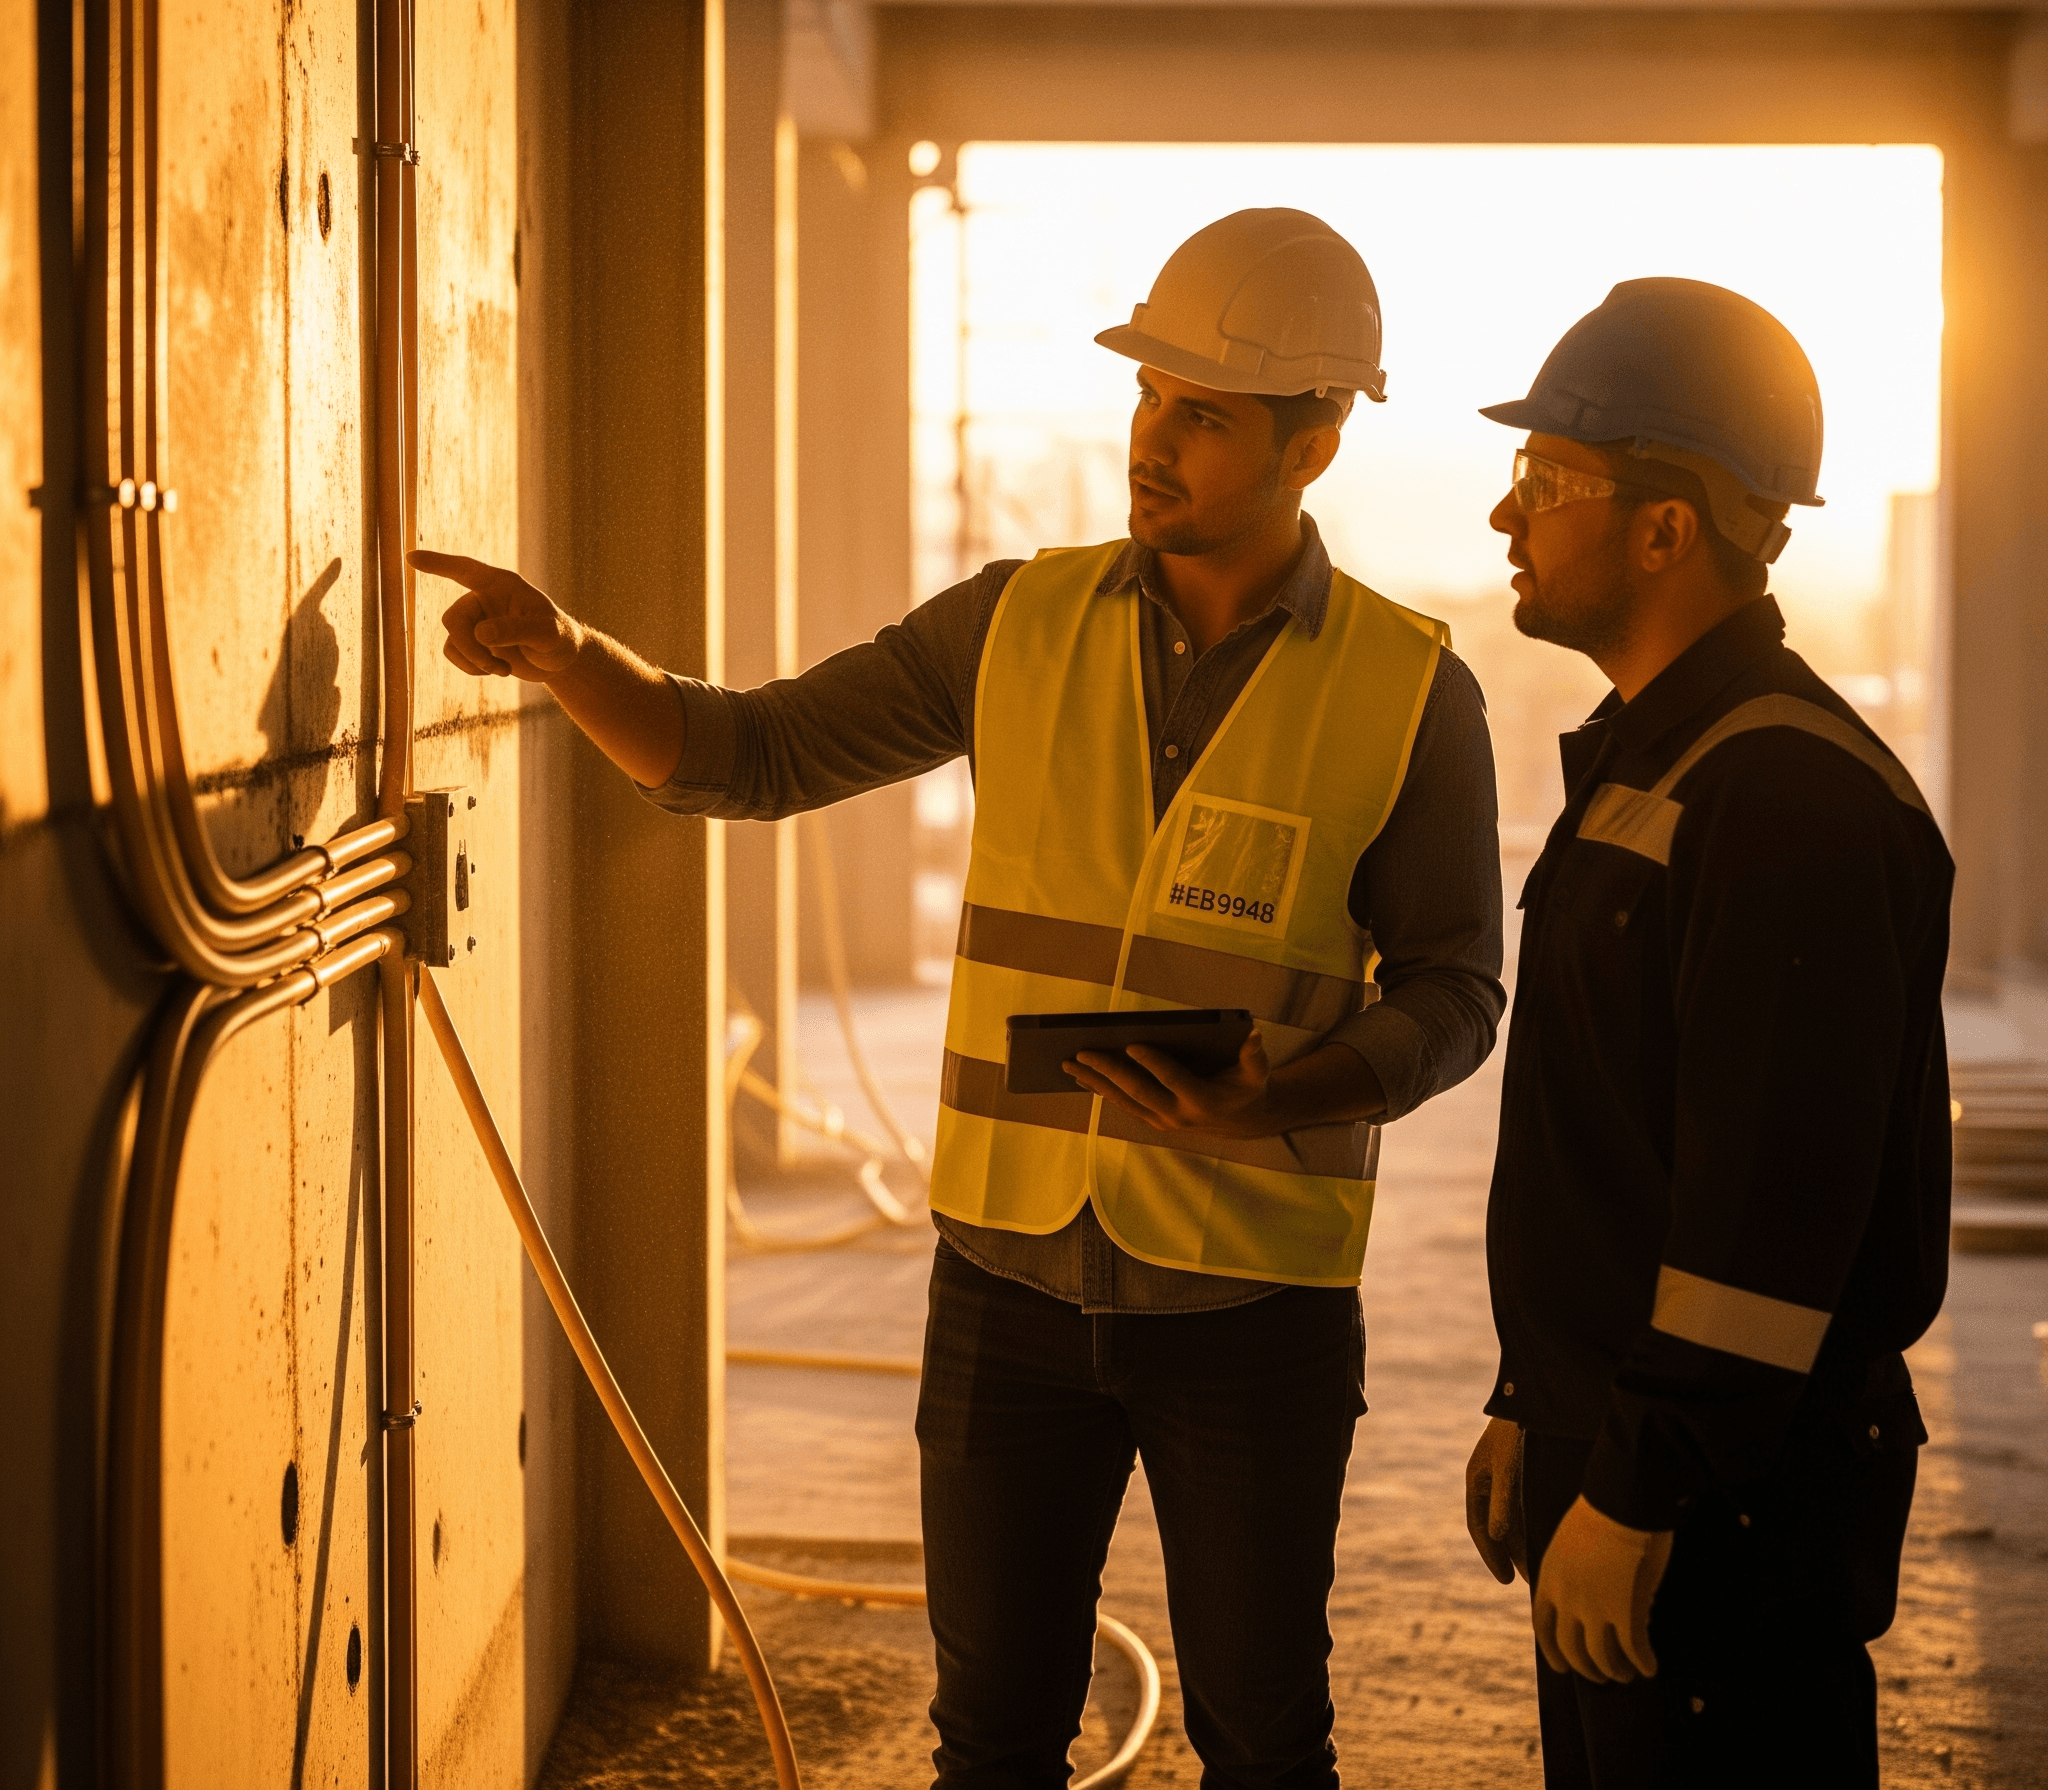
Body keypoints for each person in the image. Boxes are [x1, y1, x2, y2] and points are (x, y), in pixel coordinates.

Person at [416, 208, 1505, 1788]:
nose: (1156, 438)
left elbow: (1459, 994)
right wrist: (570, 653)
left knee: (1266, 1738)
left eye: (1206, 414)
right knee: (990, 1743)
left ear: (1317, 441)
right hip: (1007, 1291)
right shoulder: (1017, 621)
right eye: (1150, 397)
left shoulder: (1409, 686)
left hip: (1253, 1312)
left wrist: (1290, 1092)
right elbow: (754, 753)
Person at [1462, 278, 1952, 1787]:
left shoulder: (1782, 794)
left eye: (1550, 481)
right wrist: (1533, 1404)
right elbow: (1619, 1143)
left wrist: (1643, 1489)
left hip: (1729, 1502)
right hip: (1621, 1451)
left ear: (1669, 528)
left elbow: (1768, 1207)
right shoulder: (1655, 766)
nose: (1504, 514)